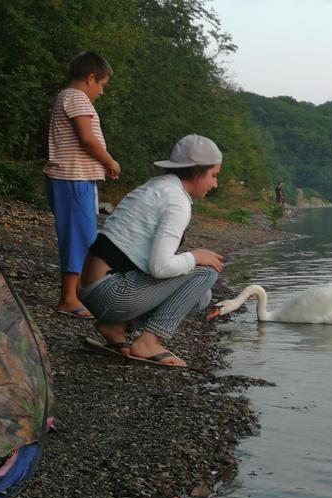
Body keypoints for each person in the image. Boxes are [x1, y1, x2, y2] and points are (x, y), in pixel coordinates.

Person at [79, 134, 225, 367]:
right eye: (214, 175)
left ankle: (116, 326)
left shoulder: (157, 186)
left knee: (201, 296)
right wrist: (196, 257)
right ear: (198, 172)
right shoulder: (177, 202)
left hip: (90, 288)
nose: (215, 184)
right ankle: (149, 341)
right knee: (206, 273)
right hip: (110, 293)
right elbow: (160, 267)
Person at [44, 51, 121, 319]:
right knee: (79, 239)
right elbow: (87, 139)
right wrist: (110, 161)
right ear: (90, 78)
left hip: (74, 178)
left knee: (81, 236)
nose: (101, 92)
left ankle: (76, 295)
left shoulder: (64, 97)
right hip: (73, 179)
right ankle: (69, 298)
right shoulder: (77, 98)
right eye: (102, 85)